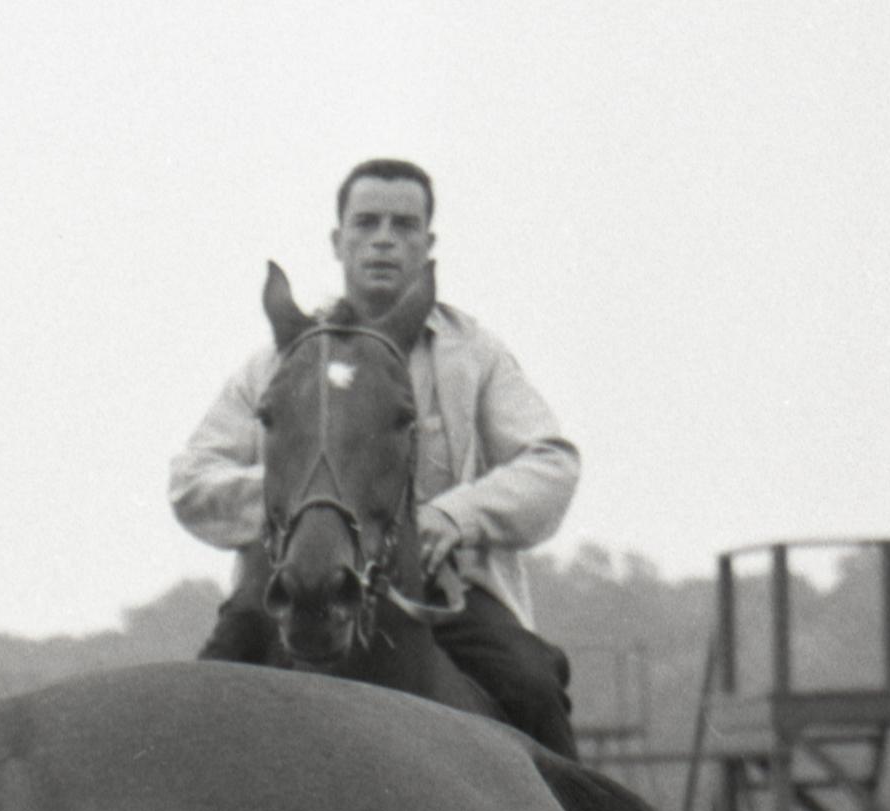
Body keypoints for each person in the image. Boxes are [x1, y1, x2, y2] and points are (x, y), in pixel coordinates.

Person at [165, 157, 586, 752]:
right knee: (201, 709)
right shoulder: (275, 364)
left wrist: (456, 516)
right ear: (339, 241)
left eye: (403, 225)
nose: (384, 239)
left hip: (439, 596)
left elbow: (552, 462)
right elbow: (191, 481)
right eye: (366, 223)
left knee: (533, 686)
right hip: (289, 589)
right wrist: (307, 505)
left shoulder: (474, 355)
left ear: (427, 243)